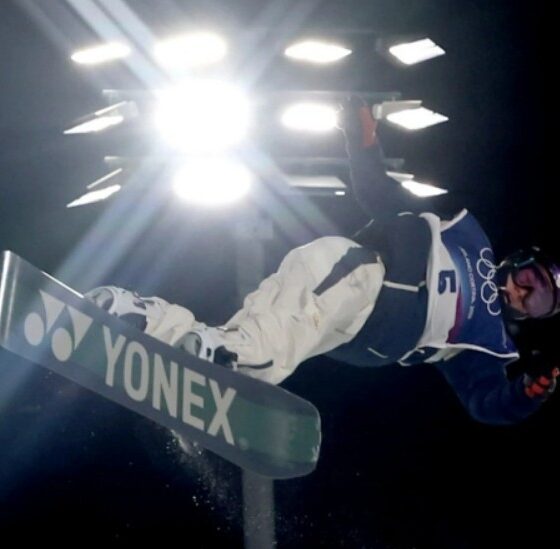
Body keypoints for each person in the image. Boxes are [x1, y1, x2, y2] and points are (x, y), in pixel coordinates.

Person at [86, 98, 559, 425]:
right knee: (265, 345)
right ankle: (216, 353)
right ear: (516, 261)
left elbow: (486, 403)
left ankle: (149, 323)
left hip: (359, 334)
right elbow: (382, 196)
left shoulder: (488, 343)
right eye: (529, 279)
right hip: (361, 275)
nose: (522, 293)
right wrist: (364, 143)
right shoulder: (469, 238)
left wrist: (526, 394)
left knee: (265, 351)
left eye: (537, 301)